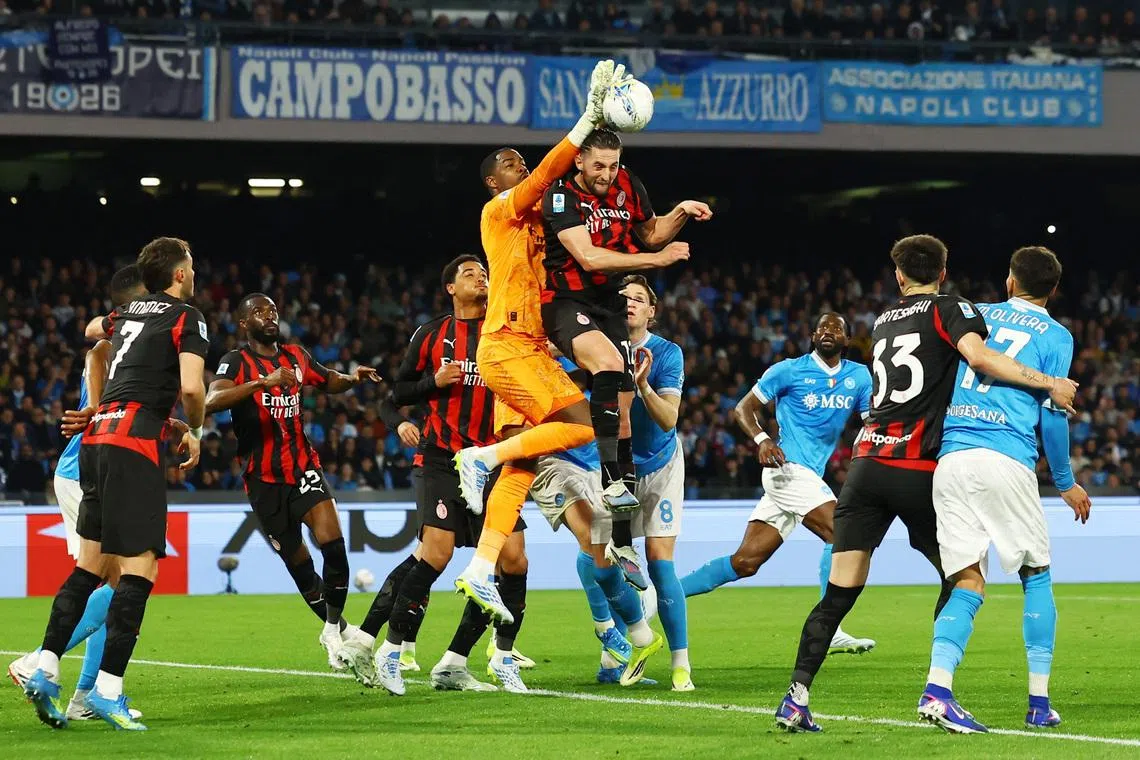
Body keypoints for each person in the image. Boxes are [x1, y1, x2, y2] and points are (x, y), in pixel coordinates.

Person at [775, 234, 1078, 733]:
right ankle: (940, 688)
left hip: (867, 464)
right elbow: (980, 359)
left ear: (899, 276)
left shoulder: (882, 321)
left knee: (838, 594)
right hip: (918, 468)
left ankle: (796, 697)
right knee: (964, 578)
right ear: (943, 272)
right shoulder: (953, 309)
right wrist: (1050, 384)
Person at [450, 59, 626, 623]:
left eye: (520, 161)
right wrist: (585, 122)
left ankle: (479, 568)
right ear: (492, 182)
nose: (518, 167)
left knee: (527, 465)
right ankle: (480, 457)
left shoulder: (536, 226)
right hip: (505, 345)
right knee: (585, 423)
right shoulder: (499, 211)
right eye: (509, 165)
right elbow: (547, 175)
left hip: (527, 348)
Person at [24, 237, 210, 731]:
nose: (193, 273)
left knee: (89, 567)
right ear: (178, 275)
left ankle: (44, 667)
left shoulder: (126, 314)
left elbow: (91, 331)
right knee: (140, 571)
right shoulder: (188, 317)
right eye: (190, 266)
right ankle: (107, 690)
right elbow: (193, 388)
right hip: (133, 447)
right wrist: (194, 425)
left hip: (96, 441)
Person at [916, 246, 1091, 733]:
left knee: (967, 580)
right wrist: (1065, 482)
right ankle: (1038, 703)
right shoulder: (1056, 336)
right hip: (1004, 458)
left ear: (1010, 281)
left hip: (951, 459)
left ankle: (938, 688)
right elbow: (1054, 417)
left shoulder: (976, 314)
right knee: (1035, 572)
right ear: (1053, 291)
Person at [338, 256, 530, 694]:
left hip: (492, 461)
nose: (480, 277)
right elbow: (399, 393)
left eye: (484, 272)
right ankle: (390, 652)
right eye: (469, 274)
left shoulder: (507, 333)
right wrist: (434, 384)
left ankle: (461, 661)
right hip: (442, 458)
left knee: (513, 558)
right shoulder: (431, 335)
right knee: (437, 553)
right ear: (450, 288)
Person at [540, 128, 709, 587]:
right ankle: (601, 481)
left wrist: (680, 213)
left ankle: (621, 539)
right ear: (579, 162)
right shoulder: (558, 196)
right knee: (611, 369)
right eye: (598, 166)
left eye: (613, 165)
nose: (607, 174)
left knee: (625, 411)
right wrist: (658, 262)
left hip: (608, 303)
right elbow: (590, 258)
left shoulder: (628, 183)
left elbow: (649, 233)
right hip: (567, 302)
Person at [680, 312, 877, 657]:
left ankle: (659, 596)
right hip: (786, 468)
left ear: (847, 341)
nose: (828, 332)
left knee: (746, 562)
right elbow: (743, 408)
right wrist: (761, 439)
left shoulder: (859, 377)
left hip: (809, 476)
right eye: (822, 327)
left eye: (837, 329)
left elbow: (867, 425)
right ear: (813, 336)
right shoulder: (789, 369)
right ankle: (829, 626)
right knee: (841, 531)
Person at [205, 293, 381, 668]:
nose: (269, 316)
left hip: (304, 470)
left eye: (272, 310)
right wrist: (259, 384)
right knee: (300, 565)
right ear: (243, 323)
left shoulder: (296, 355)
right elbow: (210, 401)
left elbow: (327, 379)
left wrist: (351, 378)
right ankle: (337, 628)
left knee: (333, 544)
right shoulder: (234, 362)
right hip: (264, 482)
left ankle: (332, 628)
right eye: (258, 312)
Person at [8, 265, 148, 722]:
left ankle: (80, 692)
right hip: (84, 471)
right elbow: (96, 350)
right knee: (120, 580)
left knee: (113, 583)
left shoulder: (139, 343)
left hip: (99, 470)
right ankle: (41, 663)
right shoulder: (112, 344)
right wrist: (95, 407)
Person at [528, 353, 664, 686]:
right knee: (592, 540)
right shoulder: (543, 377)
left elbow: (622, 423)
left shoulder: (597, 388)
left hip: (595, 470)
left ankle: (610, 665)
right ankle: (609, 629)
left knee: (607, 554)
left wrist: (633, 379)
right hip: (555, 465)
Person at [617, 275, 695, 690]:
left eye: (638, 298)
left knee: (659, 561)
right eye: (623, 297)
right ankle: (618, 647)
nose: (630, 303)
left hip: (661, 464)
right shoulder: (595, 349)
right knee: (604, 561)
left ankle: (681, 662)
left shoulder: (666, 353)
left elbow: (669, 419)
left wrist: (642, 384)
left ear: (652, 310)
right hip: (615, 469)